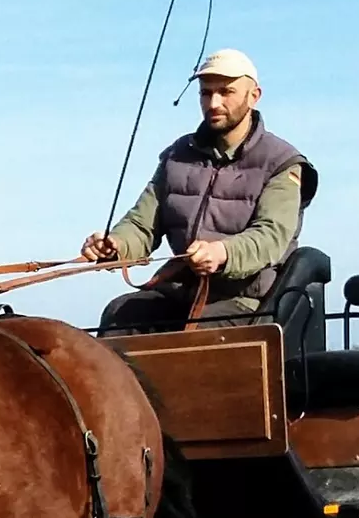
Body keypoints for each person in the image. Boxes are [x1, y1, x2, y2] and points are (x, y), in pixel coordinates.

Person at [87, 49, 318, 333]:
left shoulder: (282, 162)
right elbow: (142, 224)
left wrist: (222, 253)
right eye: (205, 93)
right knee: (119, 315)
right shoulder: (177, 155)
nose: (214, 102)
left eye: (226, 92)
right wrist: (116, 246)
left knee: (199, 331)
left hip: (245, 301)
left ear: (254, 95)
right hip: (179, 293)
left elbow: (271, 236)